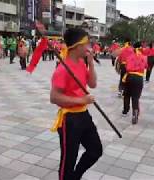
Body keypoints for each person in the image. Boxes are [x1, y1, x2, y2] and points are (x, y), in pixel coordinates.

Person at [50, 28, 102, 180]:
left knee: (95, 150)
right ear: (77, 46)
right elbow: (54, 97)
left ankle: (75, 177)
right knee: (68, 160)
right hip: (69, 120)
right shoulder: (62, 69)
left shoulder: (81, 63)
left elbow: (92, 84)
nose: (89, 47)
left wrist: (91, 64)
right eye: (86, 43)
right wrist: (81, 100)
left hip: (83, 115)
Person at [122, 42, 147, 124]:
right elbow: (146, 66)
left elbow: (126, 67)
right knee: (135, 97)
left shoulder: (129, 56)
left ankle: (125, 111)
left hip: (130, 77)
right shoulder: (143, 57)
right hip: (139, 78)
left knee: (126, 95)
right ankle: (135, 113)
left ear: (133, 47)